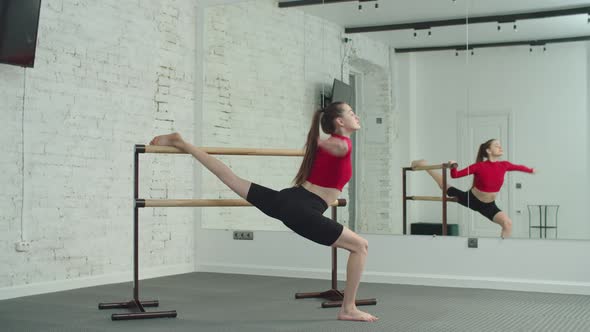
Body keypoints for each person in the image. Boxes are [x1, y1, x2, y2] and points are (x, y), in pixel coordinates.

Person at [149, 102, 378, 322]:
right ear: (340, 121)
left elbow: (323, 152)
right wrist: (318, 142)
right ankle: (348, 308)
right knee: (360, 246)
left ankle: (182, 143)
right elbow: (330, 146)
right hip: (302, 209)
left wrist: (316, 141)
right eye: (351, 112)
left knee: (231, 179)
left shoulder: (335, 145)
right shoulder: (342, 145)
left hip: (286, 199)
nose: (356, 116)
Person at [412, 138, 535, 238]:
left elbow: (519, 167)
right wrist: (453, 166)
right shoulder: (479, 166)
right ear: (488, 150)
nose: (500, 147)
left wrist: (531, 170)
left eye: (500, 145)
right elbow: (455, 175)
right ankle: (424, 164)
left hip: (489, 206)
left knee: (507, 223)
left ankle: (502, 252)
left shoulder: (504, 165)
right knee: (445, 186)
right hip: (471, 199)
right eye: (497, 145)